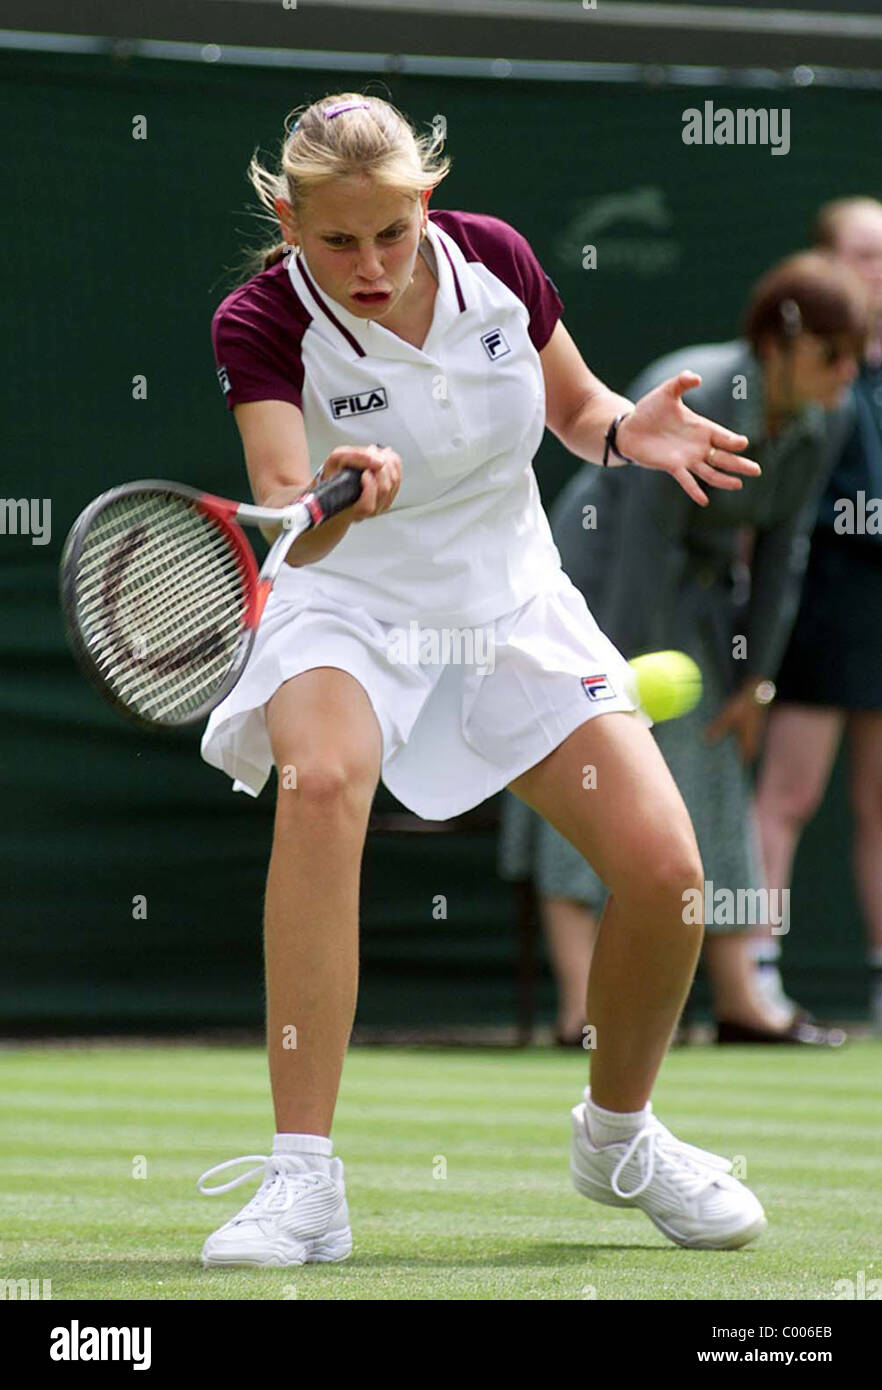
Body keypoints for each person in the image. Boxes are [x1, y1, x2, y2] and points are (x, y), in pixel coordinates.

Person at [195, 91, 770, 1266]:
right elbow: (289, 505)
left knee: (668, 877)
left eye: (390, 234)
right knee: (320, 788)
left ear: (425, 203)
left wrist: (631, 433)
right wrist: (342, 489)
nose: (368, 263)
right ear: (287, 216)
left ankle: (620, 1137)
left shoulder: (496, 258)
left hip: (510, 602)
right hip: (345, 608)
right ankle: (303, 1181)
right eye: (336, 239)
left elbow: (576, 408)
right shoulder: (258, 319)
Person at [499, 252, 865, 1047]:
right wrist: (619, 684)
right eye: (830, 355)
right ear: (778, 344)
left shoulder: (827, 417)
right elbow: (642, 549)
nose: (845, 374)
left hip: (695, 599)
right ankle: (581, 1012)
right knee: (589, 769)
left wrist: (754, 679)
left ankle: (742, 1000)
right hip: (595, 577)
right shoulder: (695, 390)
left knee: (714, 775)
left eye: (854, 356)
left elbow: (782, 548)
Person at [755, 198, 882, 1031]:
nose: (881, 274)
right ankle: (757, 975)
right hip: (823, 606)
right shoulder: (809, 380)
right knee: (790, 795)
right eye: (867, 256)